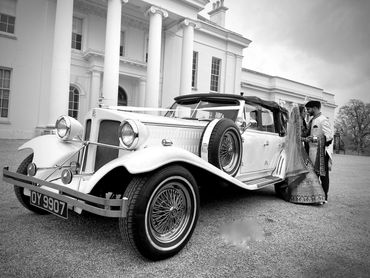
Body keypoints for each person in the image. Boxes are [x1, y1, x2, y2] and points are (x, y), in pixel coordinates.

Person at [282, 105, 326, 204]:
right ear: (300, 112)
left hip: (302, 147)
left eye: (307, 110)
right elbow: (296, 137)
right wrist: (306, 139)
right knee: (306, 170)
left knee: (307, 169)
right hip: (299, 147)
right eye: (304, 111)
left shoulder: (302, 121)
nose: (306, 112)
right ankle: (309, 196)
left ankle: (311, 197)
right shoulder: (299, 121)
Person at [305, 100, 333, 202]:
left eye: (308, 109)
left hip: (321, 153)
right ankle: (316, 196)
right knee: (314, 174)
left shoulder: (323, 120)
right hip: (311, 151)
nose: (307, 112)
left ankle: (324, 197)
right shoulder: (312, 120)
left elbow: (329, 138)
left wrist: (314, 139)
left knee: (323, 175)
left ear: (315, 108)